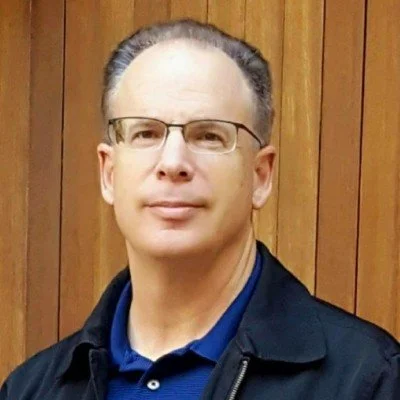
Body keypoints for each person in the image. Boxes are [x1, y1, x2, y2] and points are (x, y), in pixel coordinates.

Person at [1, 19, 399, 400]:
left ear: (261, 176)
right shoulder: (30, 390)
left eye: (208, 136)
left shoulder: (367, 380)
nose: (173, 162)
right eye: (146, 133)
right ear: (109, 172)